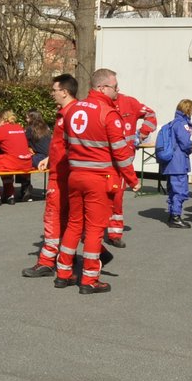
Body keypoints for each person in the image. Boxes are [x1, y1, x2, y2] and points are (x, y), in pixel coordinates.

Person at [54, 69, 136, 293]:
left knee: (73, 224)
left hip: (75, 175)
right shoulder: (108, 113)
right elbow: (120, 152)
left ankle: (63, 273)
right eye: (114, 87)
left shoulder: (73, 109)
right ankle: (89, 279)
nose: (117, 91)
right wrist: (133, 179)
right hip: (99, 178)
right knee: (94, 229)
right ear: (102, 88)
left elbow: (68, 143)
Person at [23, 74, 78, 278]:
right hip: (60, 169)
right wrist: (49, 158)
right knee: (64, 217)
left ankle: (48, 262)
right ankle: (64, 258)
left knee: (54, 217)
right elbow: (60, 145)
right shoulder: (67, 112)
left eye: (54, 90)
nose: (52, 94)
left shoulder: (72, 114)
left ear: (64, 91)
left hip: (63, 174)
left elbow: (73, 145)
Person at [106, 90, 156, 246]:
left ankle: (115, 234)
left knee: (117, 198)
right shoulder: (99, 105)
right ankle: (91, 231)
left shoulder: (129, 102)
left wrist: (142, 134)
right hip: (103, 160)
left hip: (123, 161)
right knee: (98, 198)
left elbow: (150, 114)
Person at [154, 99, 192, 228]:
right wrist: (191, 147)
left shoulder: (173, 122)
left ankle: (173, 213)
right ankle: (176, 216)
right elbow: (185, 143)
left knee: (173, 189)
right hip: (178, 163)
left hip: (170, 163)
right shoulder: (182, 124)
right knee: (180, 190)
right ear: (188, 110)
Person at [0, 108, 32, 202]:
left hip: (14, 162)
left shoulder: (2, 129)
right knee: (4, 167)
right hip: (27, 162)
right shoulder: (19, 127)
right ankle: (10, 195)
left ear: (1, 119)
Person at [21, 108, 52, 201]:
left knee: (21, 161)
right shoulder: (46, 127)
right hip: (51, 158)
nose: (26, 120)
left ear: (31, 118)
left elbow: (22, 143)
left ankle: (25, 187)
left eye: (27, 118)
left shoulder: (30, 129)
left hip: (41, 158)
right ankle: (26, 188)